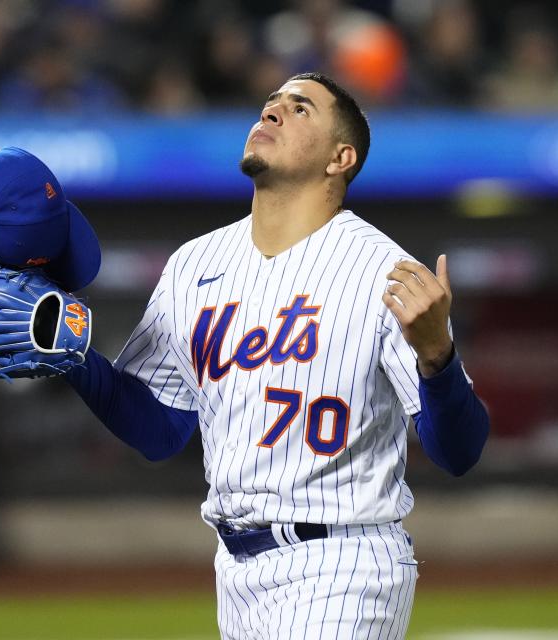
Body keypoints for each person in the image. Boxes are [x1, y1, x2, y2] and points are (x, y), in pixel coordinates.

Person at [64, 72, 489, 637]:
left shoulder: (383, 273)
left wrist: (438, 356)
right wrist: (70, 358)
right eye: (270, 104)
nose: (272, 112)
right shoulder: (194, 263)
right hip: (234, 569)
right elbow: (159, 428)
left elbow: (458, 450)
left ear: (342, 158)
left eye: (300, 108)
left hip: (345, 563)